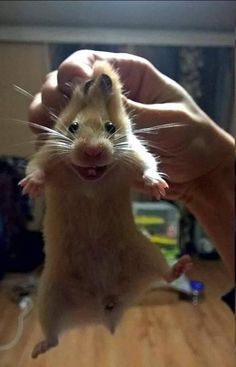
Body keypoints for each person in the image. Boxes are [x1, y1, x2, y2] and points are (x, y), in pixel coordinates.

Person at [29, 49, 235, 299]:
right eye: (74, 128)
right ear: (65, 124)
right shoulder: (58, 141)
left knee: (139, 246)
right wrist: (36, 175)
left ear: (122, 120)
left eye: (109, 128)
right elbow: (39, 163)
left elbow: (146, 160)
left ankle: (164, 273)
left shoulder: (127, 139)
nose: (93, 148)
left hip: (117, 235)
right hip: (69, 245)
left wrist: (151, 174)